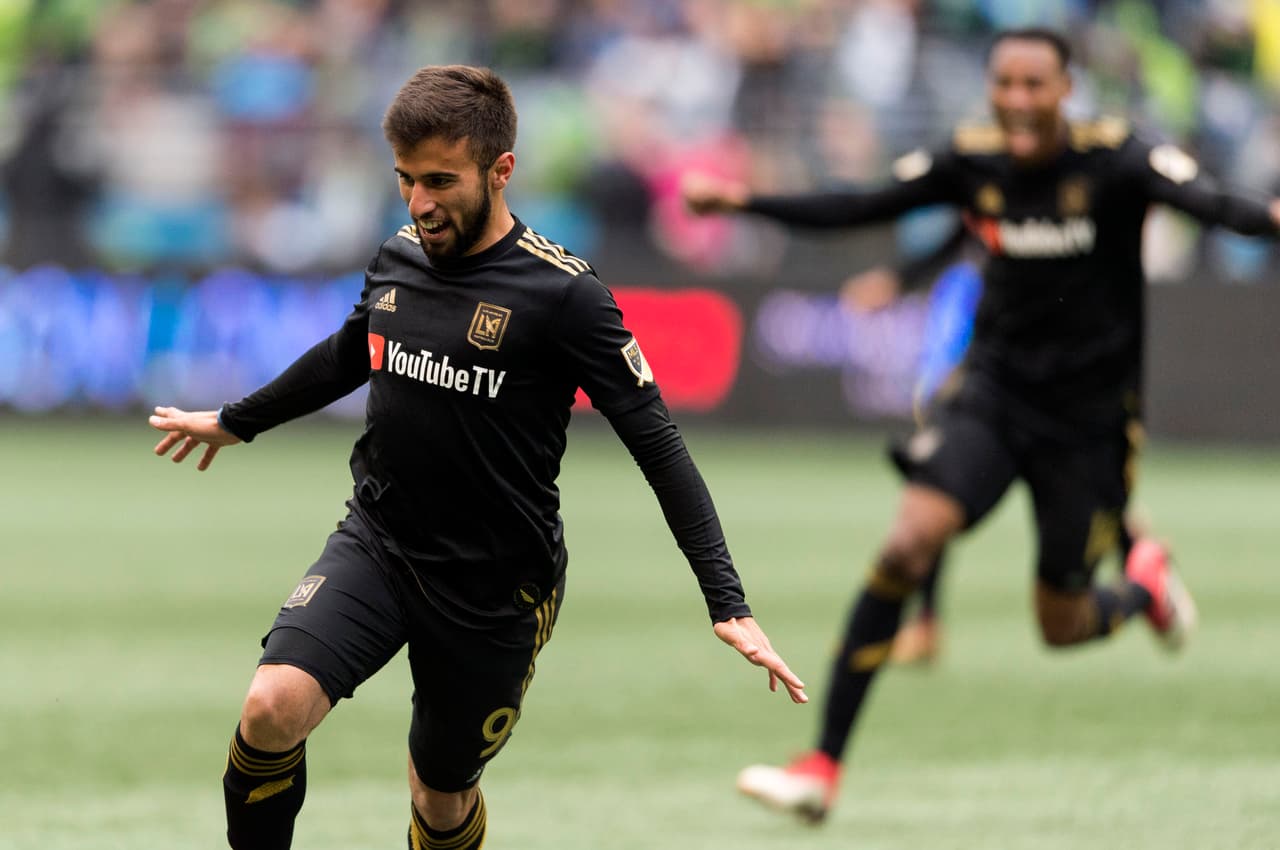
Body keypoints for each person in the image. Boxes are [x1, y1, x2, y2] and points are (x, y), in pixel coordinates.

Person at [150, 64, 806, 850]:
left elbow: (657, 445)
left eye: (439, 181)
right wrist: (237, 419)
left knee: (440, 796)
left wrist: (726, 599)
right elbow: (352, 352)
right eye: (404, 180)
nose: (420, 204)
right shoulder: (399, 256)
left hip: (497, 588)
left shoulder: (567, 297)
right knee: (269, 708)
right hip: (380, 543)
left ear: (502, 171)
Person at [682, 27, 1280, 823]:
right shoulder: (971, 159)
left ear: (1066, 89)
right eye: (1006, 84)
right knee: (907, 542)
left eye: (1036, 85)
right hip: (995, 398)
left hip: (1090, 424)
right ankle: (820, 765)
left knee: (1061, 626)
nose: (1019, 101)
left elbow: (1215, 205)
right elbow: (863, 202)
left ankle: (1141, 589)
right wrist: (743, 200)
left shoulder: (1118, 159)